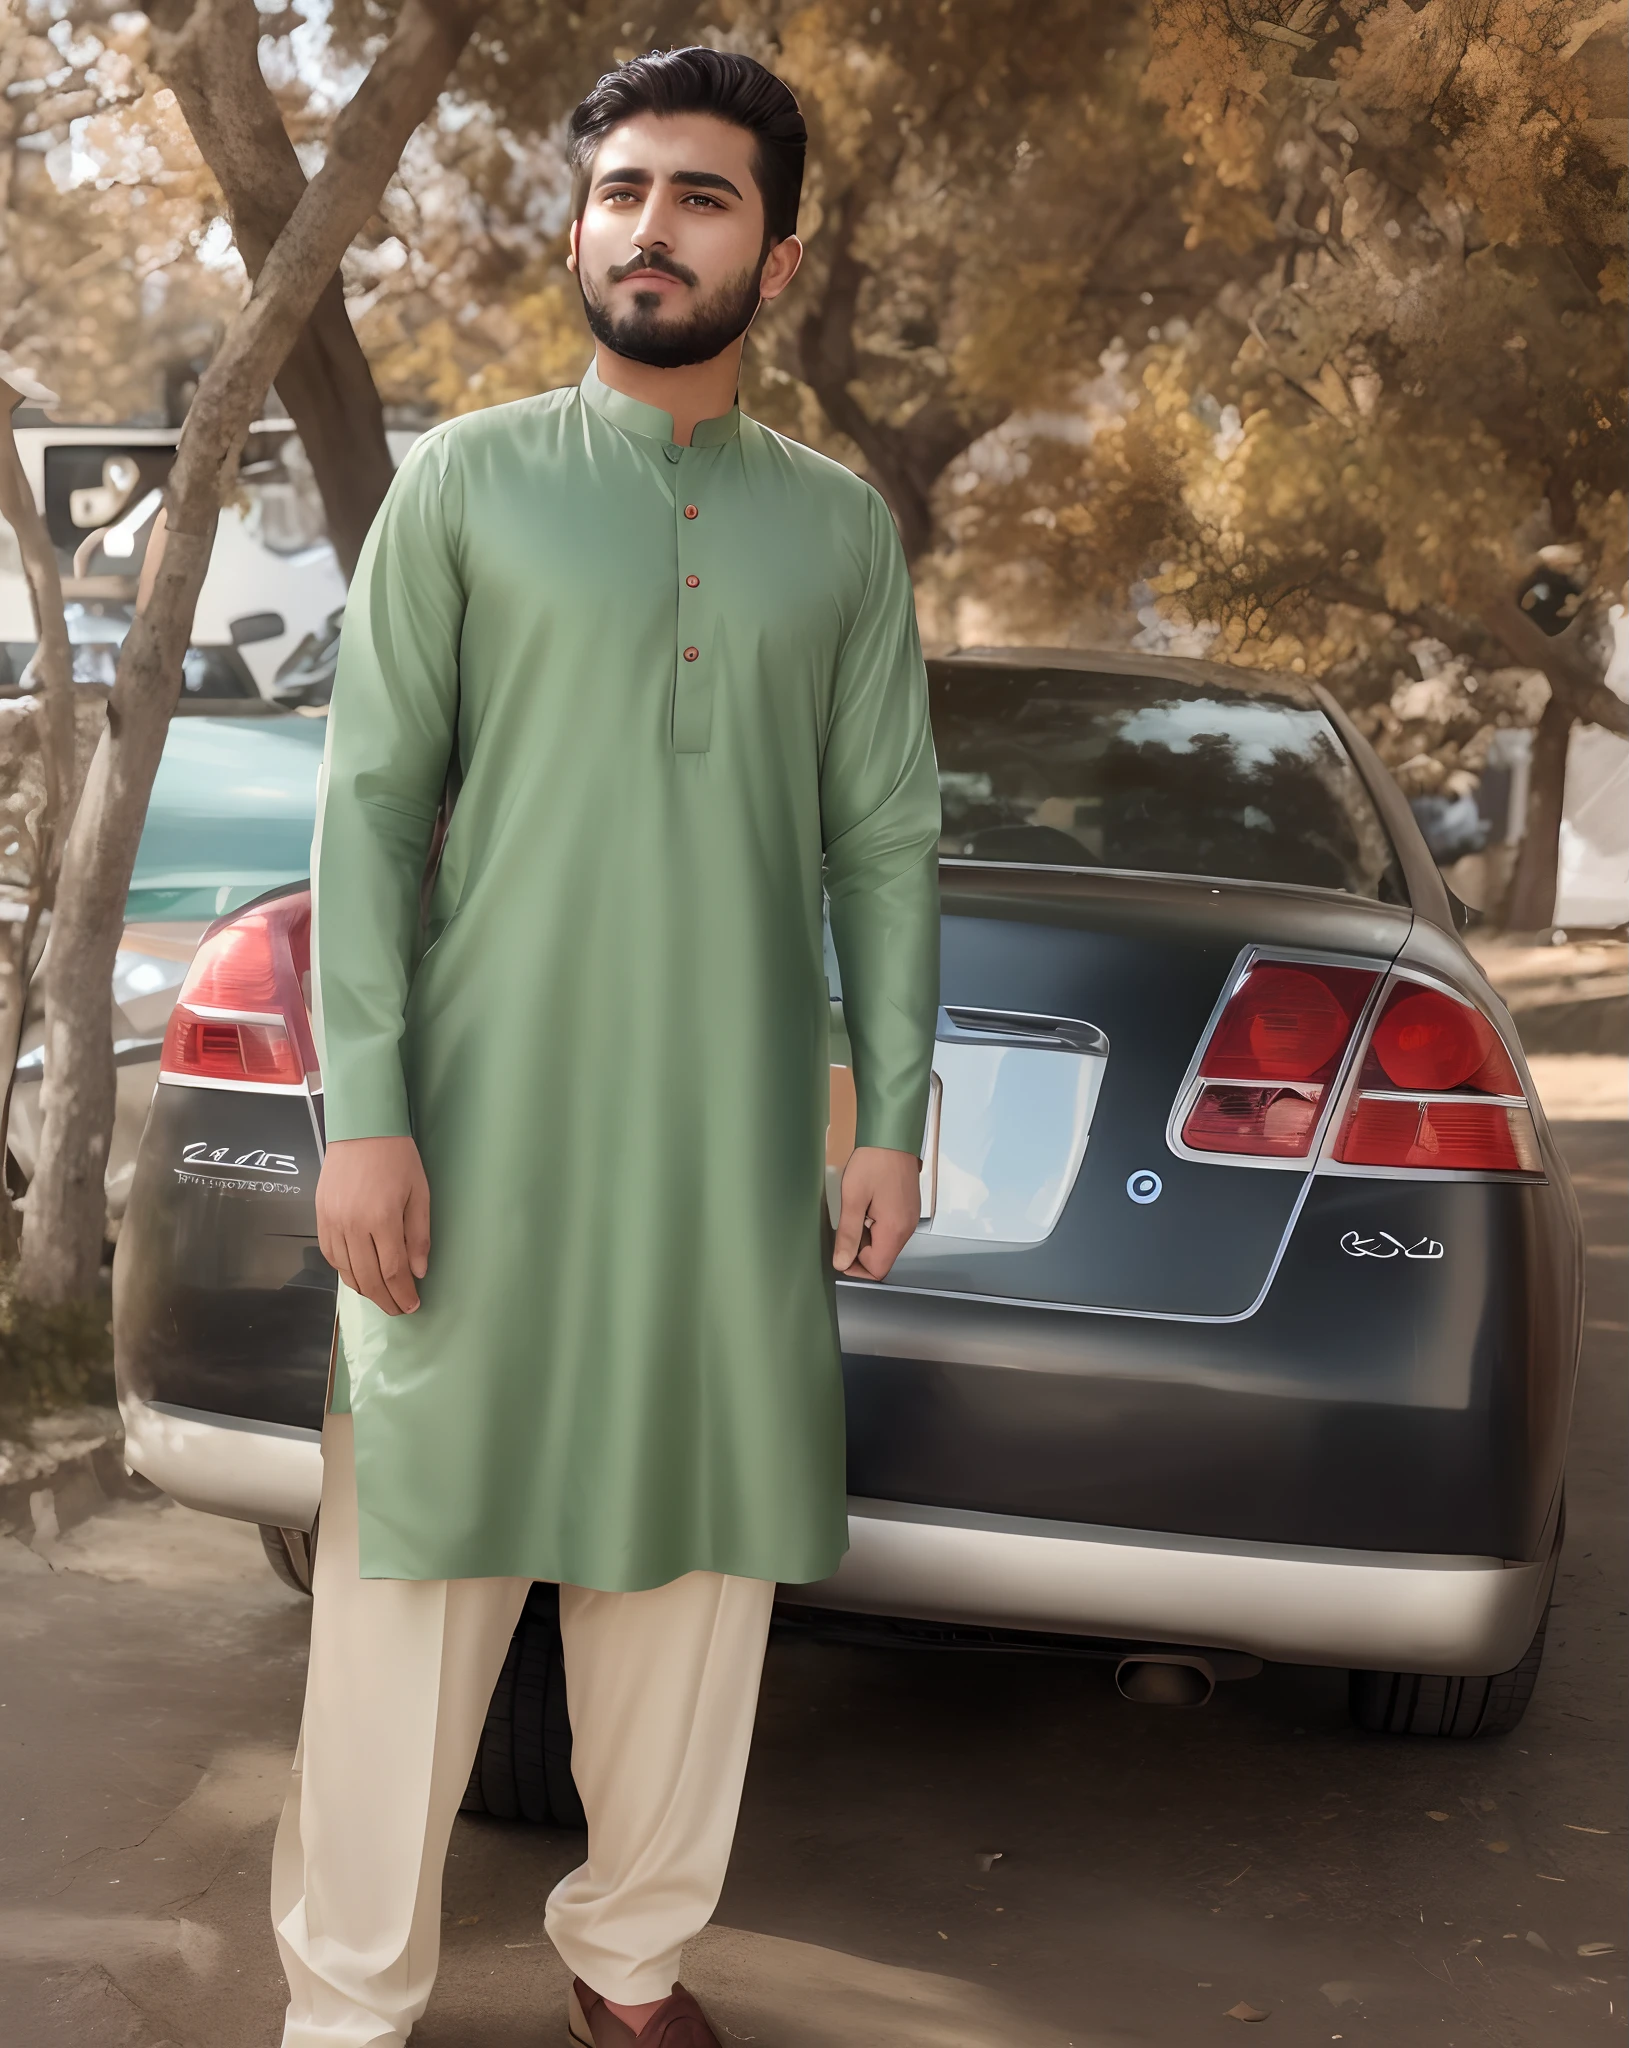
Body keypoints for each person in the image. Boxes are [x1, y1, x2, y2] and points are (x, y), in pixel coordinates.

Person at [272, 45, 942, 2048]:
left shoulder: (835, 535)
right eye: (624, 188)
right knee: (407, 1589)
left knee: (696, 1576)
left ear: (780, 253)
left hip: (729, 1153)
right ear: (580, 226)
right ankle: (343, 2006)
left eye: (704, 193)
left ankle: (629, 1953)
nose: (652, 224)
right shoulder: (467, 484)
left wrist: (890, 1120)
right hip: (469, 1149)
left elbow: (886, 836)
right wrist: (366, 1117)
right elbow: (371, 812)